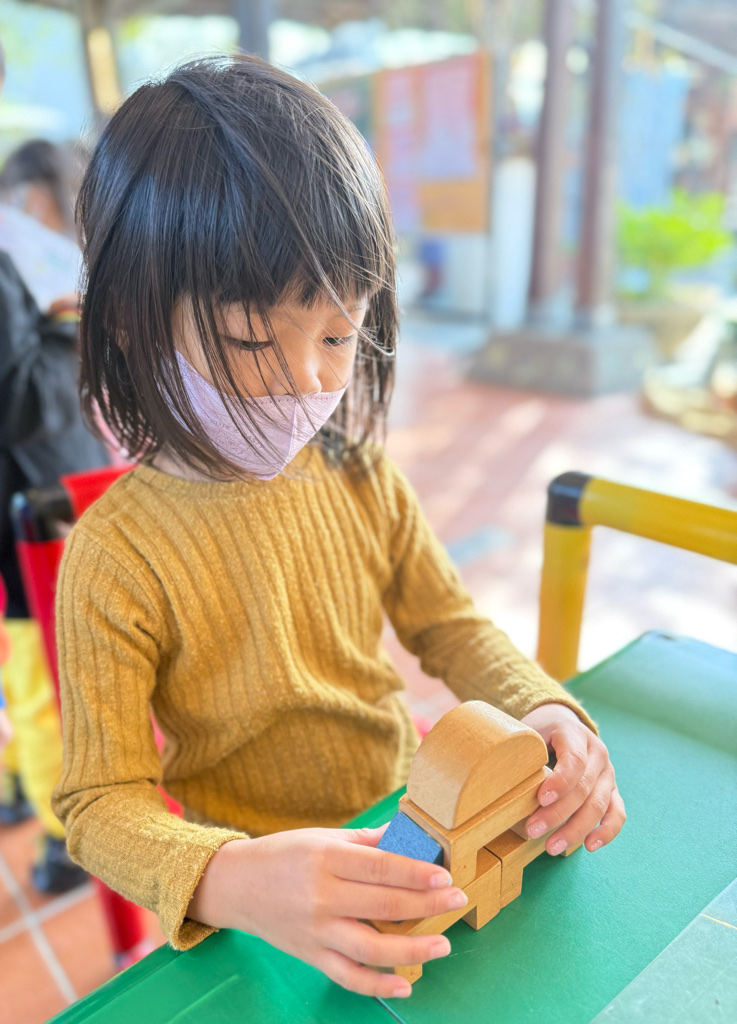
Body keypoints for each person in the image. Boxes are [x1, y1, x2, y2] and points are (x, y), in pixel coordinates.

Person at [52, 56, 625, 999]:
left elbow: (449, 626)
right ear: (129, 322)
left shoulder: (356, 471)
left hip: (410, 827)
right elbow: (97, 802)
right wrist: (228, 876)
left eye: (337, 332)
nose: (311, 380)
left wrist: (543, 709)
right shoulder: (114, 557)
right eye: (250, 337)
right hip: (257, 903)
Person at [0, 131, 111, 886]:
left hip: (31, 498)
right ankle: (63, 838)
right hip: (32, 502)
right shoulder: (15, 262)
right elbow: (19, 397)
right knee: (43, 676)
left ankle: (21, 787)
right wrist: (70, 330)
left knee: (26, 665)